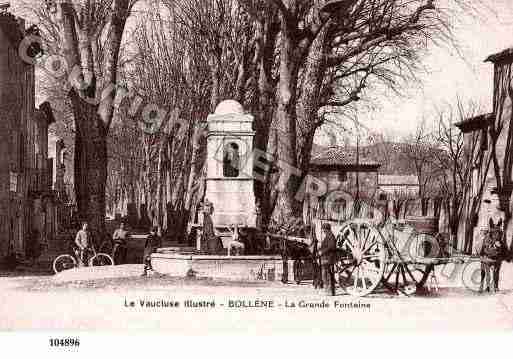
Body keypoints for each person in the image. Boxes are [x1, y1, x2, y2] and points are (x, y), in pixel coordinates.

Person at [319, 222, 337, 296]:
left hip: (328, 258)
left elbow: (332, 247)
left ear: (327, 229)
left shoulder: (330, 236)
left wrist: (322, 251)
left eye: (324, 230)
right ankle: (328, 290)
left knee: (327, 274)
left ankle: (329, 291)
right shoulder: (328, 236)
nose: (323, 231)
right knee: (326, 274)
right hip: (326, 258)